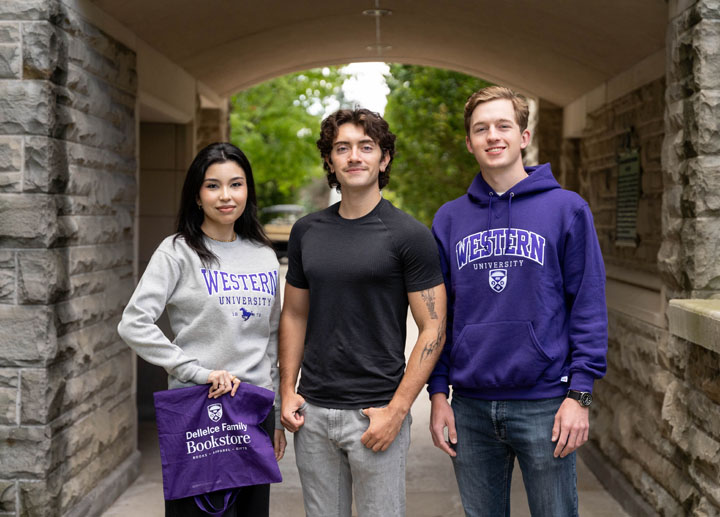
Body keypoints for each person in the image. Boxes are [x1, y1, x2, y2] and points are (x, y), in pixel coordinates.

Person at [428, 86, 608, 517]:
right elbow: (438, 316)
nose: (493, 136)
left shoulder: (567, 209)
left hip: (546, 403)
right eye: (481, 128)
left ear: (523, 137)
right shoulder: (449, 218)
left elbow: (587, 304)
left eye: (503, 125)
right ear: (469, 142)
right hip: (469, 406)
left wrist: (579, 395)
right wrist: (437, 393)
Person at [279, 108, 447, 517]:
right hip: (313, 413)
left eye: (366, 147)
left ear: (384, 158)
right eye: (343, 148)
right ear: (330, 161)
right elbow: (294, 315)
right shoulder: (307, 231)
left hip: (375, 412)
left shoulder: (409, 235)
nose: (354, 156)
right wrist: (286, 389)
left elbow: (434, 327)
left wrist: (398, 410)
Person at [117, 142, 286, 517]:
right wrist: (195, 371)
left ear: (248, 191)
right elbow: (133, 323)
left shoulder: (263, 255)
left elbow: (271, 335)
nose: (225, 196)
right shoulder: (177, 251)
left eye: (236, 184)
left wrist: (273, 411)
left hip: (253, 408)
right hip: (197, 408)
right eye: (213, 186)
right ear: (196, 194)